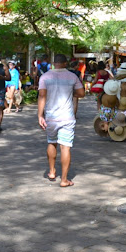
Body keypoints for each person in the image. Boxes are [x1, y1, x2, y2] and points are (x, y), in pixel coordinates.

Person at [38, 54, 85, 187]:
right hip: (67, 117)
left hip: (51, 117)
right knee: (65, 147)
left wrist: (40, 116)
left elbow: (42, 96)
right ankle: (64, 180)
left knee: (51, 143)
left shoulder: (45, 77)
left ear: (53, 63)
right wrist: (71, 93)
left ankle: (52, 171)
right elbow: (81, 93)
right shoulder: (72, 76)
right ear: (65, 63)